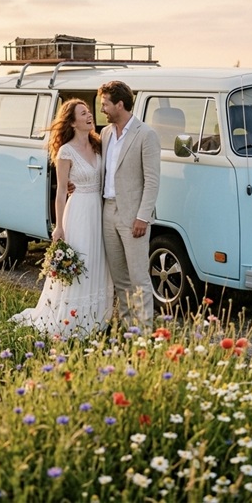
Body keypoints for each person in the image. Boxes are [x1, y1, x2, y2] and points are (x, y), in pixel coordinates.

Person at [10, 99, 112, 336]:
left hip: (98, 210)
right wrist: (58, 227)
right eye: (83, 113)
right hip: (78, 213)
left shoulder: (99, 145)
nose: (89, 116)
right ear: (73, 122)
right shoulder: (66, 151)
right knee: (81, 262)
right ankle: (70, 321)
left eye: (89, 112)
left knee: (98, 262)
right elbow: (61, 192)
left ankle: (97, 319)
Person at [98, 80, 161, 329]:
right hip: (108, 210)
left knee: (138, 277)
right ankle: (128, 328)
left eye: (105, 104)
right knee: (120, 278)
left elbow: (152, 180)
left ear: (120, 104)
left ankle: (144, 332)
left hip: (134, 215)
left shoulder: (146, 134)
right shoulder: (105, 134)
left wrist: (142, 217)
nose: (102, 109)